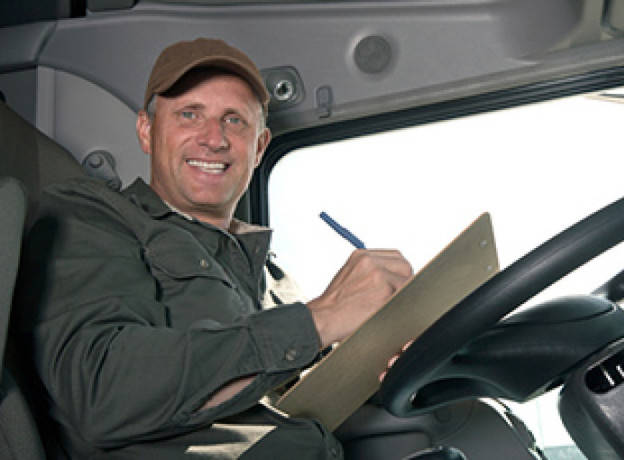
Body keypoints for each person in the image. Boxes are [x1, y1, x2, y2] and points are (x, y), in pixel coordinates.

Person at [15, 38, 413, 459]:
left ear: (259, 148)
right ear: (147, 132)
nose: (214, 139)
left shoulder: (277, 281)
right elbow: (100, 393)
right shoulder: (93, 218)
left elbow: (305, 400)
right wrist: (320, 319)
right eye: (190, 115)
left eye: (235, 121)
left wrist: (378, 358)